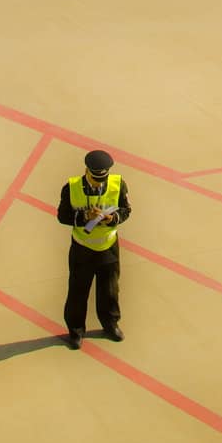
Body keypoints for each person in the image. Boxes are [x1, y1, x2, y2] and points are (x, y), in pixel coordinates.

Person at [57, 149, 131, 349]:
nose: (100, 183)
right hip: (83, 248)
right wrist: (83, 218)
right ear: (86, 171)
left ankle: (110, 324)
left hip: (108, 247)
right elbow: (62, 216)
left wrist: (111, 219)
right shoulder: (71, 188)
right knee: (78, 291)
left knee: (109, 291)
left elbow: (125, 210)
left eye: (102, 179)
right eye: (95, 179)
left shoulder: (118, 184)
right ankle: (76, 331)